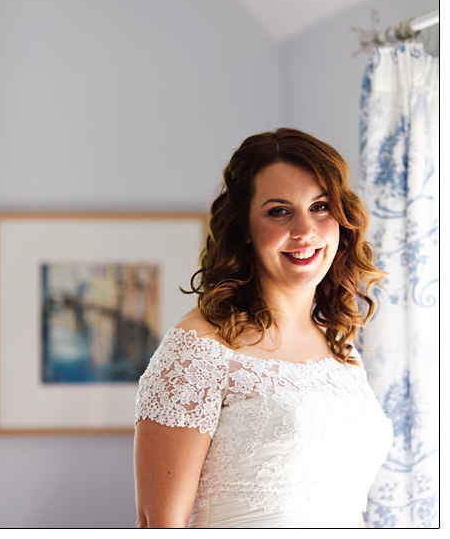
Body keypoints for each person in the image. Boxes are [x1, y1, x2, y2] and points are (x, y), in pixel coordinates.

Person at [133, 128, 391, 528]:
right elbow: (159, 524)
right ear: (244, 231)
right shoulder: (198, 349)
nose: (305, 230)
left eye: (321, 206)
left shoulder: (340, 347)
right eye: (279, 211)